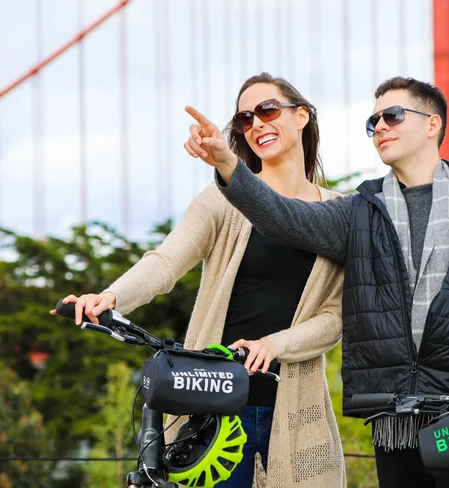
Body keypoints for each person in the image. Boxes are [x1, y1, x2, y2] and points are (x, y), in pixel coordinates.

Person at [183, 76, 449, 488]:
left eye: (392, 116)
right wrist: (227, 163)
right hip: (393, 415)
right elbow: (283, 217)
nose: (380, 128)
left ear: (432, 124)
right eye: (373, 123)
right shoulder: (358, 211)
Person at [52, 73, 347, 488]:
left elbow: (336, 317)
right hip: (215, 406)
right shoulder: (223, 198)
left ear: (301, 116)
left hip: (298, 409)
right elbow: (167, 260)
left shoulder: (340, 213)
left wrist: (275, 344)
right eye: (246, 118)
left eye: (267, 110)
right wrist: (110, 297)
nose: (257, 123)